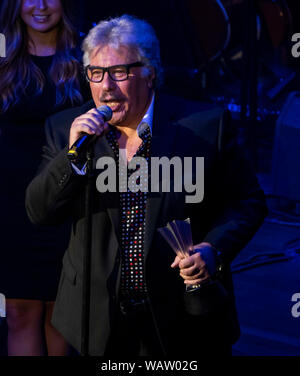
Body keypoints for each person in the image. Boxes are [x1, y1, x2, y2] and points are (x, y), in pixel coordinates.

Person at [25, 14, 268, 357]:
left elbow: (248, 202)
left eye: (119, 72)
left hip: (182, 319)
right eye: (95, 73)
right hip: (98, 317)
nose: (105, 86)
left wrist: (214, 250)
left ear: (150, 72)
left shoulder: (203, 127)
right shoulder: (66, 129)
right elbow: (39, 212)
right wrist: (73, 156)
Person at [0, 0, 90, 356]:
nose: (39, 6)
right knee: (19, 312)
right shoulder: (2, 51)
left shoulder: (86, 54)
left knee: (60, 313)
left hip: (64, 200)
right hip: (9, 203)